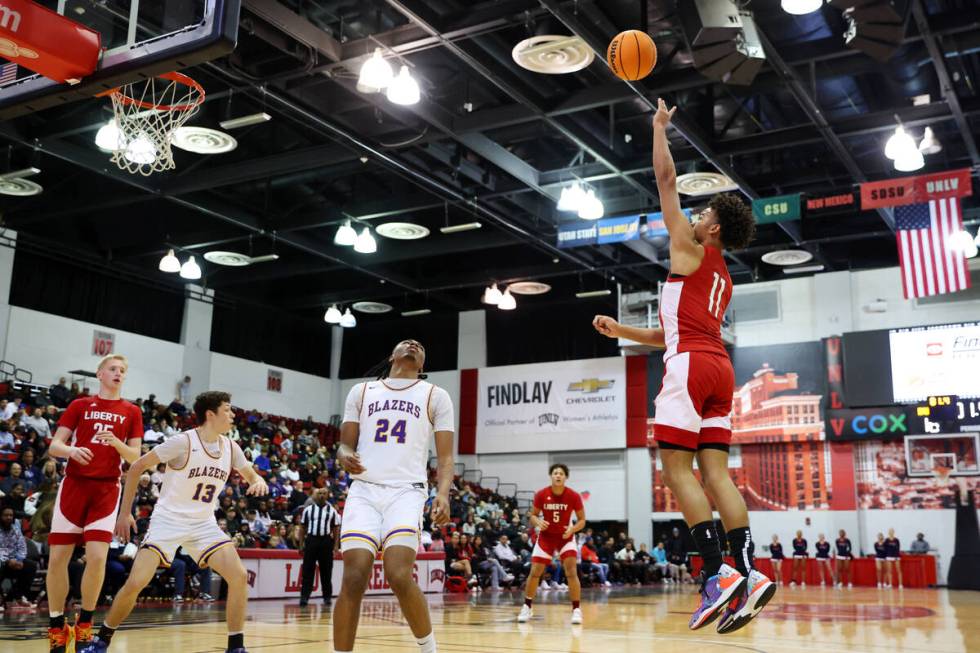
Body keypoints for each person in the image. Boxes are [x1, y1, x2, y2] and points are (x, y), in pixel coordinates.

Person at [592, 99, 770, 634]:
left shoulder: (689, 250)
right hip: (718, 368)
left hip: (690, 368)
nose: (696, 216)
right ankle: (748, 568)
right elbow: (674, 332)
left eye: (704, 214)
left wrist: (659, 129)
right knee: (716, 472)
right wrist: (622, 332)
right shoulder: (721, 275)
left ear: (712, 230)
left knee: (675, 471)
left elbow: (666, 181)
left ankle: (715, 575)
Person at [78, 391, 267, 653]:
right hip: (168, 521)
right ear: (210, 414)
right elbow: (136, 468)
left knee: (238, 575)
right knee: (136, 582)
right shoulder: (183, 442)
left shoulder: (231, 447)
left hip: (203, 524)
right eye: (228, 409)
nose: (233, 414)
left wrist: (258, 481)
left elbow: (250, 474)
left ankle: (236, 647)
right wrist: (124, 513)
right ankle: (101, 641)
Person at [334, 339, 455, 653]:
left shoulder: (435, 395)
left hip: (406, 491)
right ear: (392, 355)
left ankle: (428, 649)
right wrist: (344, 454)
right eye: (406, 343)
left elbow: (444, 457)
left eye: (420, 346)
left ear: (422, 365)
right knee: (354, 576)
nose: (413, 345)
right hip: (364, 490)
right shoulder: (361, 391)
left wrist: (443, 493)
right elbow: (345, 445)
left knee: (398, 574)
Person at [45, 354, 143, 653]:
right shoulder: (79, 406)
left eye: (123, 370)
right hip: (74, 486)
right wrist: (72, 451)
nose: (118, 373)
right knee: (58, 559)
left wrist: (115, 442)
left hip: (106, 490)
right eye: (113, 369)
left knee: (98, 557)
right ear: (100, 374)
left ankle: (85, 622)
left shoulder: (132, 411)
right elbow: (54, 446)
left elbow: (135, 459)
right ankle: (56, 624)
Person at [518, 464, 586, 625]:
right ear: (551, 476)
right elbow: (533, 516)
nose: (558, 475)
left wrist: (572, 529)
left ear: (565, 477)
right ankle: (527, 606)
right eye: (555, 473)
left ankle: (576, 609)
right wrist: (537, 521)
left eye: (561, 473)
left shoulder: (574, 496)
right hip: (546, 537)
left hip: (565, 536)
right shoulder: (541, 494)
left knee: (571, 572)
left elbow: (582, 520)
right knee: (535, 572)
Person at [298, 487, 341, 606]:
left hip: (326, 541)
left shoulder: (332, 511)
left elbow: (336, 528)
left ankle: (327, 597)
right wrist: (301, 544)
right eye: (319, 493)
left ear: (327, 496)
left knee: (326, 571)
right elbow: (302, 527)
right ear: (316, 495)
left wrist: (336, 545)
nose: (321, 495)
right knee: (308, 570)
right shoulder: (308, 510)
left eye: (324, 493)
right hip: (311, 540)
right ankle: (304, 597)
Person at [0, 506, 39, 607]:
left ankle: (18, 595)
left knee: (31, 566)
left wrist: (20, 559)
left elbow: (22, 545)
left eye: (11, 515)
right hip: (2, 561)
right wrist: (8, 560)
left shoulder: (15, 529)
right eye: (5, 515)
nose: (9, 517)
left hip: (14, 561)